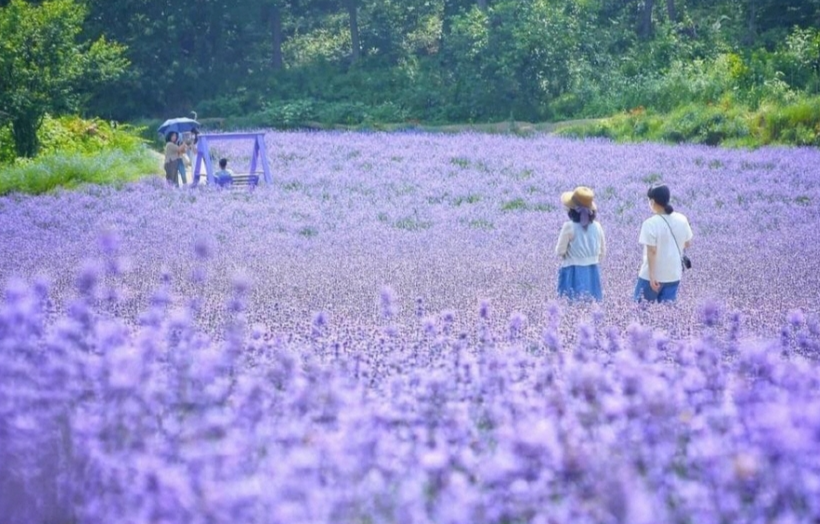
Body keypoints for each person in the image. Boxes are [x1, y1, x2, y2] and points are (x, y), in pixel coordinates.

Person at [634, 183, 693, 303]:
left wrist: (651, 276)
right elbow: (687, 244)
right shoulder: (682, 219)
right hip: (673, 274)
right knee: (667, 313)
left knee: (640, 310)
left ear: (653, 201)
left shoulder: (650, 224)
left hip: (653, 277)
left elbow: (652, 251)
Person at [555, 186, 606, 301]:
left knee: (572, 304)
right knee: (592, 303)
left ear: (571, 209)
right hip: (592, 272)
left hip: (572, 271)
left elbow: (560, 251)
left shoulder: (569, 226)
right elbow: (602, 252)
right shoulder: (597, 226)